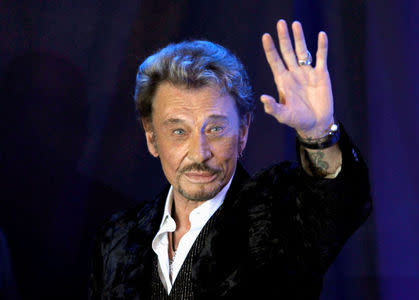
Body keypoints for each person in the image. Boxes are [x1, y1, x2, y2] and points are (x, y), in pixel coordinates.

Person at [89, 19, 372, 299]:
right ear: (152, 138)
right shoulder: (118, 239)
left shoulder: (283, 217)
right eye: (178, 131)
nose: (200, 152)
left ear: (243, 132)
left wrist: (317, 132)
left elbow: (338, 205)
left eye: (215, 129)